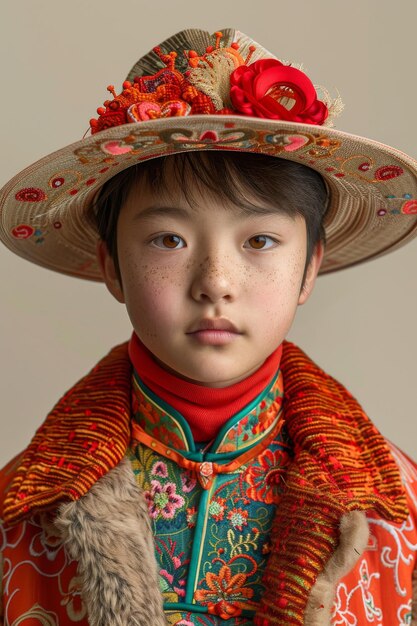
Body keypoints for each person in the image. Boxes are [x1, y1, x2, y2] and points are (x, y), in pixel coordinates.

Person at [1, 27, 417, 626]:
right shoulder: (18, 513)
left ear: (309, 268)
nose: (215, 281)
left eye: (260, 240)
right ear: (111, 265)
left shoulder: (396, 518)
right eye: (168, 239)